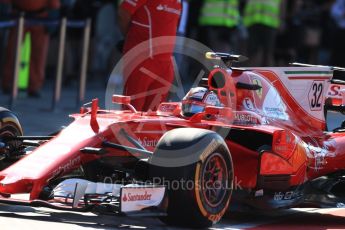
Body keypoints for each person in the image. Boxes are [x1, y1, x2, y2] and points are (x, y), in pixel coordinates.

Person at [118, 0, 182, 111]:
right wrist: (129, 37)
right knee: (132, 114)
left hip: (165, 64)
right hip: (142, 60)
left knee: (155, 118)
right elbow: (124, 13)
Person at [2, 0, 61, 97]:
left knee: (38, 55)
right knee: (12, 52)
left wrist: (52, 19)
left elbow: (54, 4)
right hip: (18, 16)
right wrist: (4, 13)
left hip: (41, 18)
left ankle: (35, 86)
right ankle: (8, 83)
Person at [243, 0, 285, 66]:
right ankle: (252, 73)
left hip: (268, 22)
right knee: (253, 52)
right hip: (254, 21)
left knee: (267, 53)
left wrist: (281, 21)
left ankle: (267, 74)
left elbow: (282, 4)